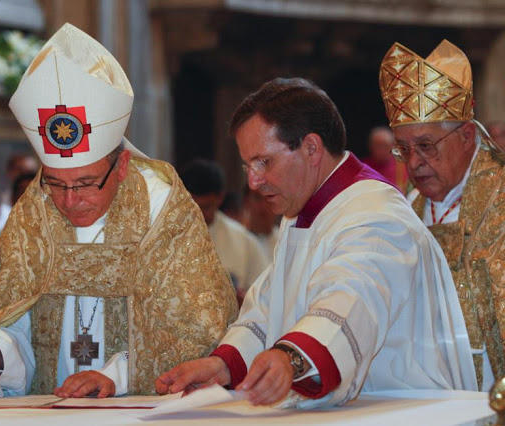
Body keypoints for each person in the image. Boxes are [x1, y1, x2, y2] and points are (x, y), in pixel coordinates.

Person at [0, 23, 237, 398]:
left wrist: (117, 376)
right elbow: (15, 324)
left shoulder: (162, 207)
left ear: (121, 166)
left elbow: (194, 330)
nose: (69, 201)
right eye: (56, 182)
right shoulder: (34, 210)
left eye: (85, 183)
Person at [156, 77, 475, 409]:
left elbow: (352, 299)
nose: (253, 181)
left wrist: (291, 358)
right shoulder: (302, 211)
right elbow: (269, 308)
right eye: (248, 166)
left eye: (264, 162)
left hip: (402, 408)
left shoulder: (376, 214)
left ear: (311, 148)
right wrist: (223, 364)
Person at [379, 39, 505, 391]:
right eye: (403, 149)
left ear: (466, 135)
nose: (414, 163)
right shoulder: (407, 205)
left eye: (426, 146)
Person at [181, 159, 268, 302]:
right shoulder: (167, 235)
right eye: (192, 206)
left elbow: (265, 296)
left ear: (220, 198)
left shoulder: (244, 241)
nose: (198, 213)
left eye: (206, 207)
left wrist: (245, 300)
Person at [362, 126, 409, 193]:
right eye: (378, 145)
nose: (381, 150)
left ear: (393, 146)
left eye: (385, 146)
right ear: (370, 146)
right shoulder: (363, 168)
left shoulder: (404, 168)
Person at [242, 186, 279, 259]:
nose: (264, 205)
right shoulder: (237, 240)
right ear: (246, 202)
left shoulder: (286, 241)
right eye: (258, 198)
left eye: (269, 198)